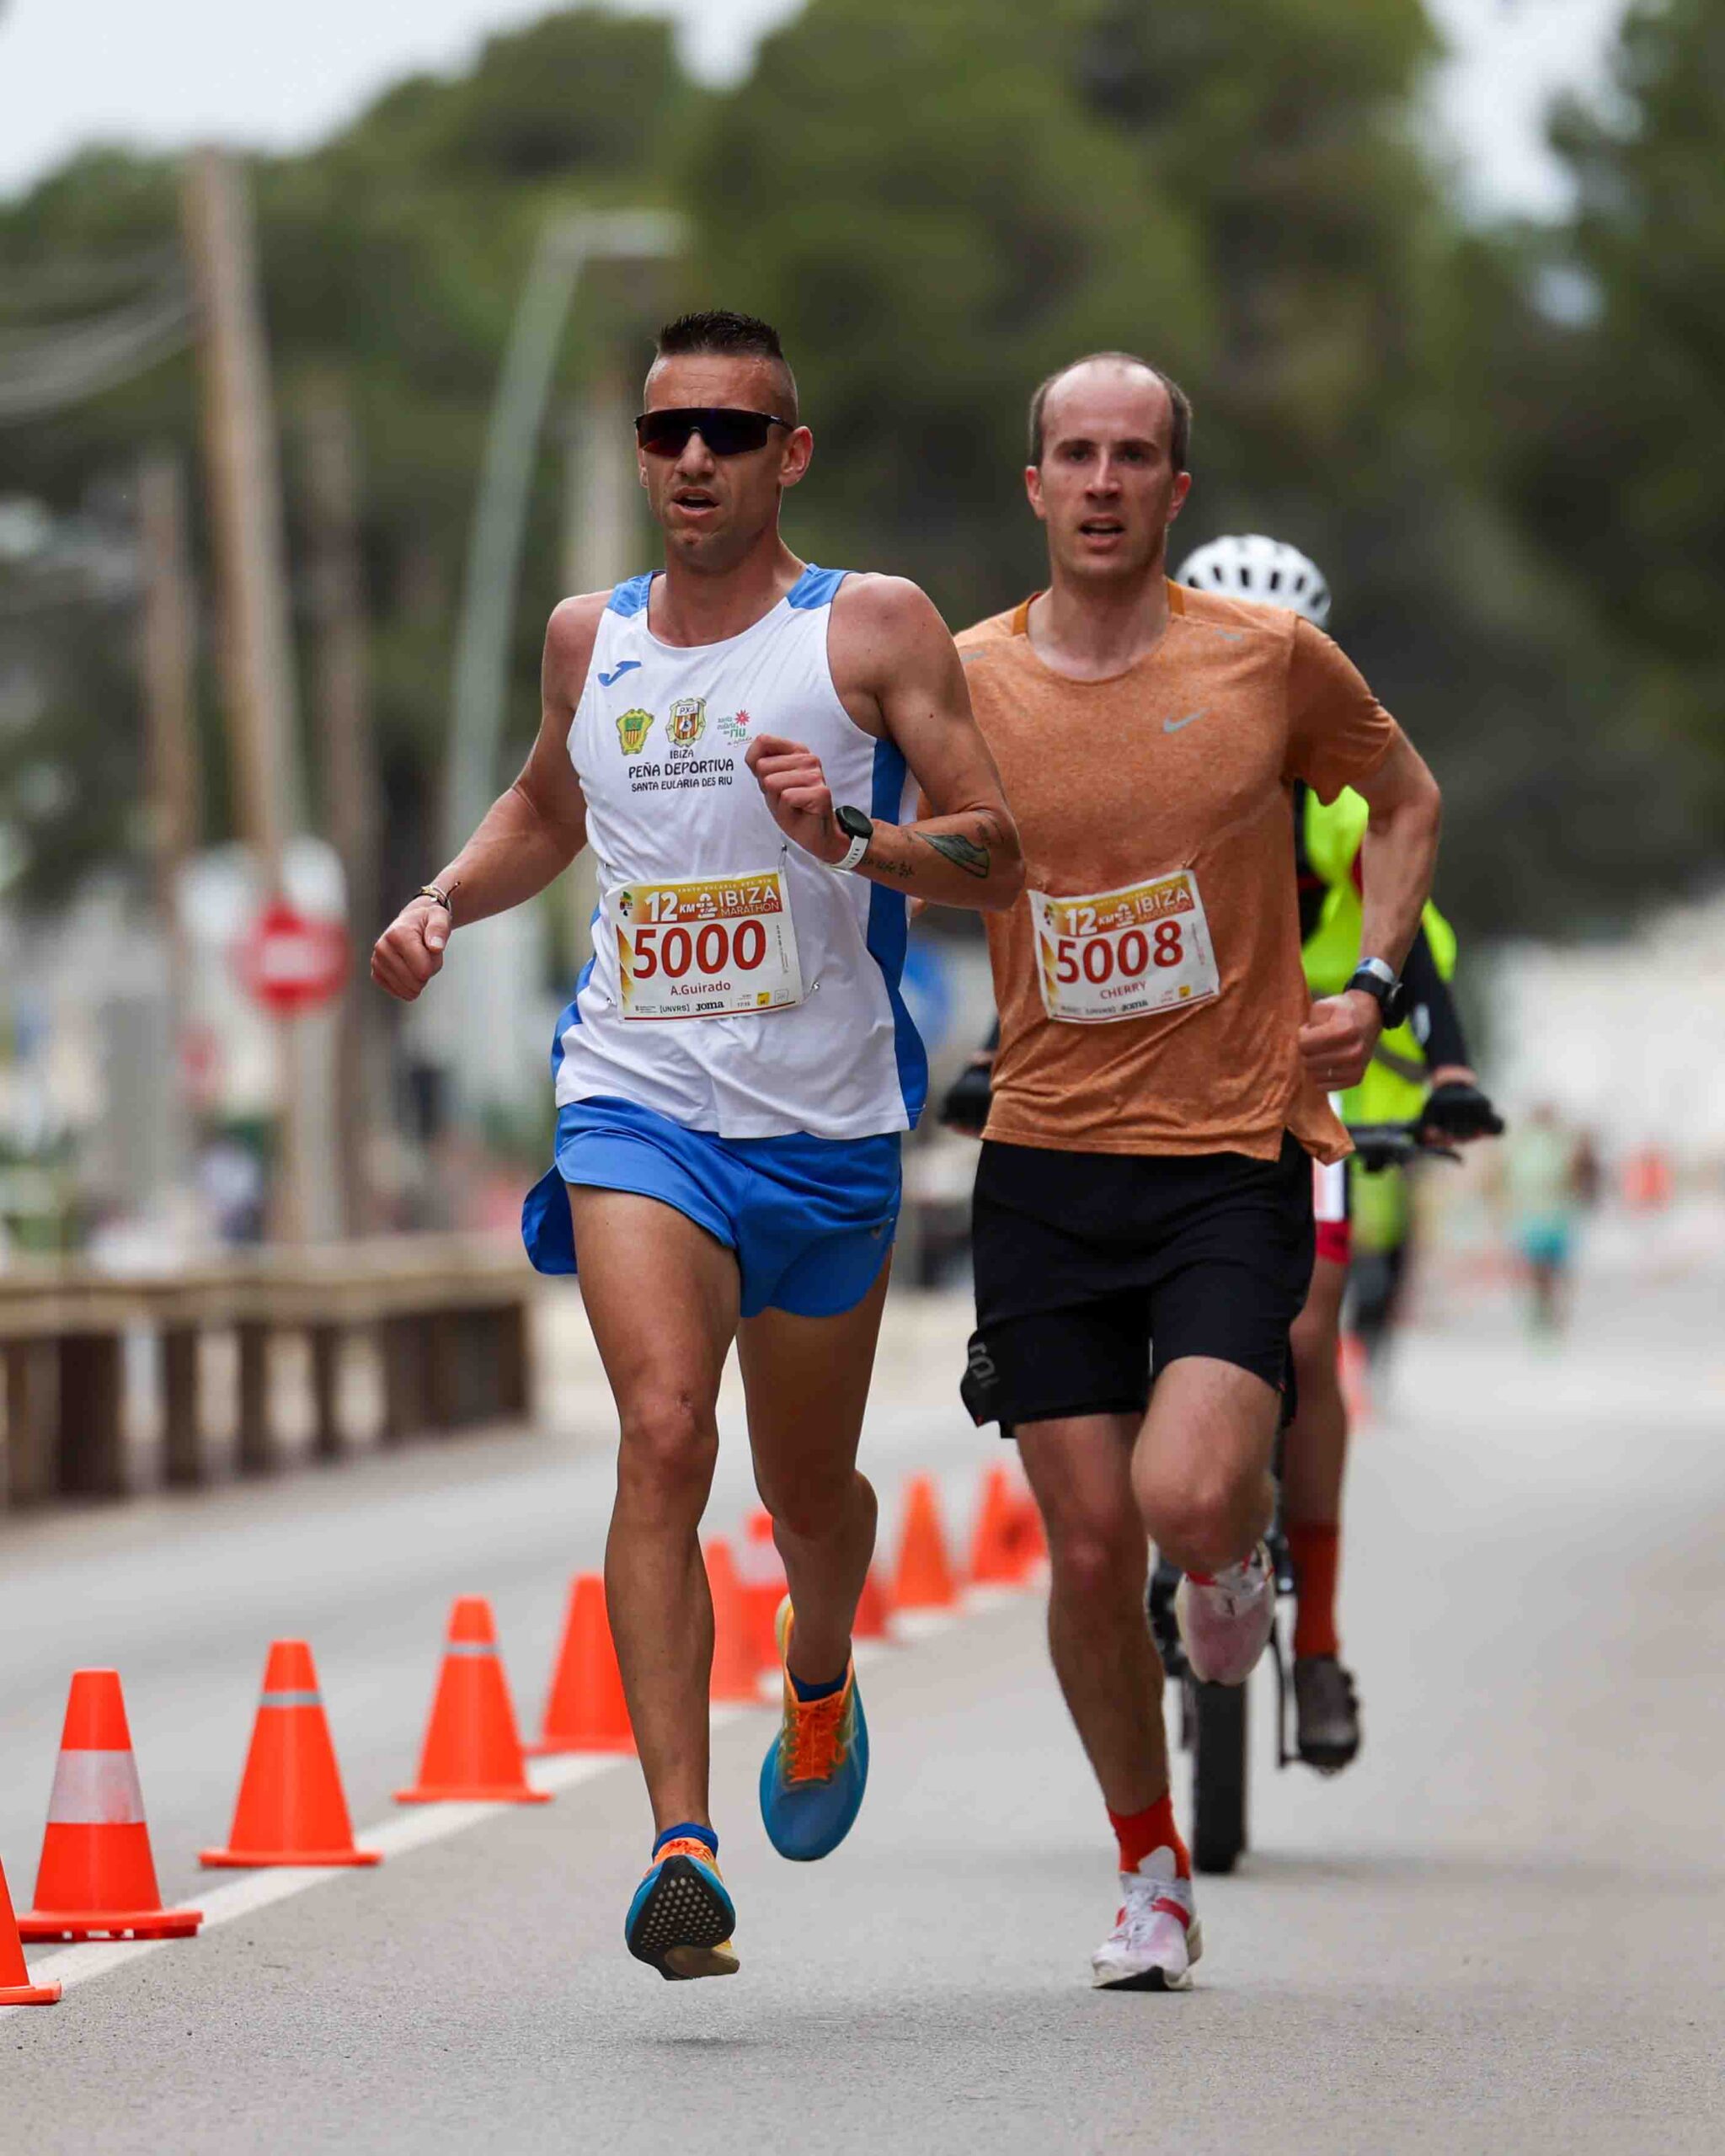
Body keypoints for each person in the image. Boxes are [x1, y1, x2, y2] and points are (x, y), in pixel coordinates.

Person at [372, 309, 1022, 1983]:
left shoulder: (869, 627)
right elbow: (547, 805)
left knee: (807, 1493)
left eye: (731, 431)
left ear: (787, 454)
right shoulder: (586, 638)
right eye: (669, 431)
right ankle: (681, 1843)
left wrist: (849, 835)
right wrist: (444, 897)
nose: (694, 459)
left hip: (825, 1129)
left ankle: (818, 1667)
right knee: (663, 1433)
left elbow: (999, 849)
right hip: (637, 1098)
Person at [951, 354, 1441, 1989]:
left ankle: (1235, 1560)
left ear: (1176, 488)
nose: (1102, 481)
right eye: (1075, 454)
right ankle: (1149, 1868)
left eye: (1133, 455)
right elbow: (890, 850)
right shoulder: (962, 676)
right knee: (1091, 1550)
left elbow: (1404, 800)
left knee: (1184, 1494)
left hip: (1229, 1148)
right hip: (1042, 1161)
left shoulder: (1266, 659)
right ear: (1034, 484)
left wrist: (1372, 987)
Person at [1176, 535, 1503, 1773]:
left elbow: (1403, 946)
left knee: (1307, 1342)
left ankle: (1315, 1646)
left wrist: (1450, 1071)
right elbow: (1057, 927)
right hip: (1153, 1098)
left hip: (1296, 1102)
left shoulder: (1342, 806)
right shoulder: (1140, 769)